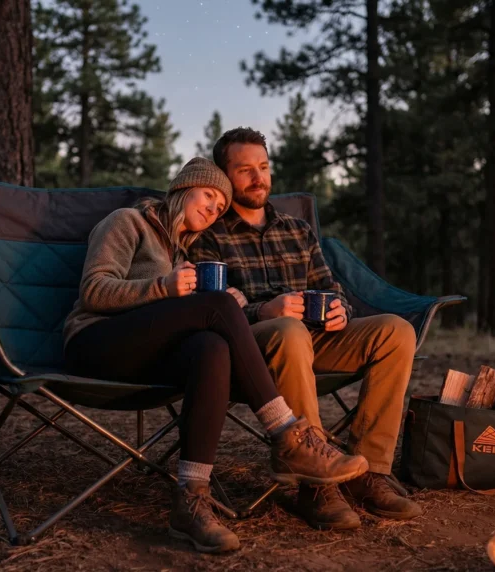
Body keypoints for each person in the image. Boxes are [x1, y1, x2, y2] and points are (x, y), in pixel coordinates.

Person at [62, 157, 369, 554]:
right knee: (219, 306)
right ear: (182, 189)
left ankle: (191, 501)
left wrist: (225, 302)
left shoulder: (180, 251)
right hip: (93, 343)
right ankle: (287, 435)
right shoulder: (127, 222)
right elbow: (95, 291)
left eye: (221, 206)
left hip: (142, 353)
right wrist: (165, 287)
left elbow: (178, 316)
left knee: (212, 347)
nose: (213, 208)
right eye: (208, 195)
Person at [188, 128, 422, 531]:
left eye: (263, 167)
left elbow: (331, 288)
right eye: (245, 170)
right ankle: (315, 484)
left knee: (396, 330)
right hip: (251, 348)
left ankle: (368, 473)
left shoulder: (296, 229)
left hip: (315, 338)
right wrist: (265, 310)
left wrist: (339, 311)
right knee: (289, 331)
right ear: (225, 178)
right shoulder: (208, 232)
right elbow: (207, 308)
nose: (258, 178)